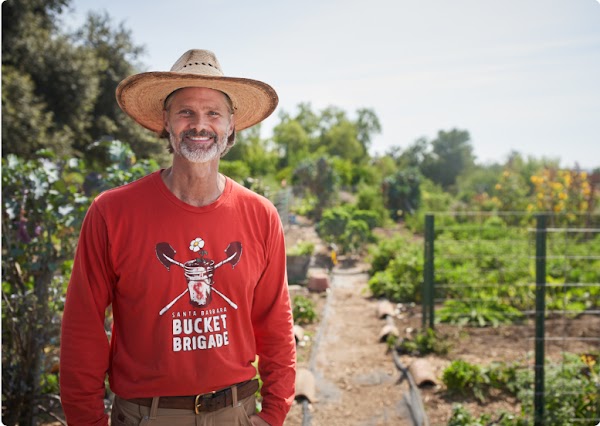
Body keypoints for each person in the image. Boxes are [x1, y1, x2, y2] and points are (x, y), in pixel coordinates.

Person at [60, 49, 296, 426]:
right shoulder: (112, 213)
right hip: (147, 416)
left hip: (236, 413)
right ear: (165, 122)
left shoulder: (261, 215)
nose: (199, 124)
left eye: (213, 113)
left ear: (231, 125)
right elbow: (82, 327)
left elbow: (276, 324)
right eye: (186, 111)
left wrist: (273, 414)